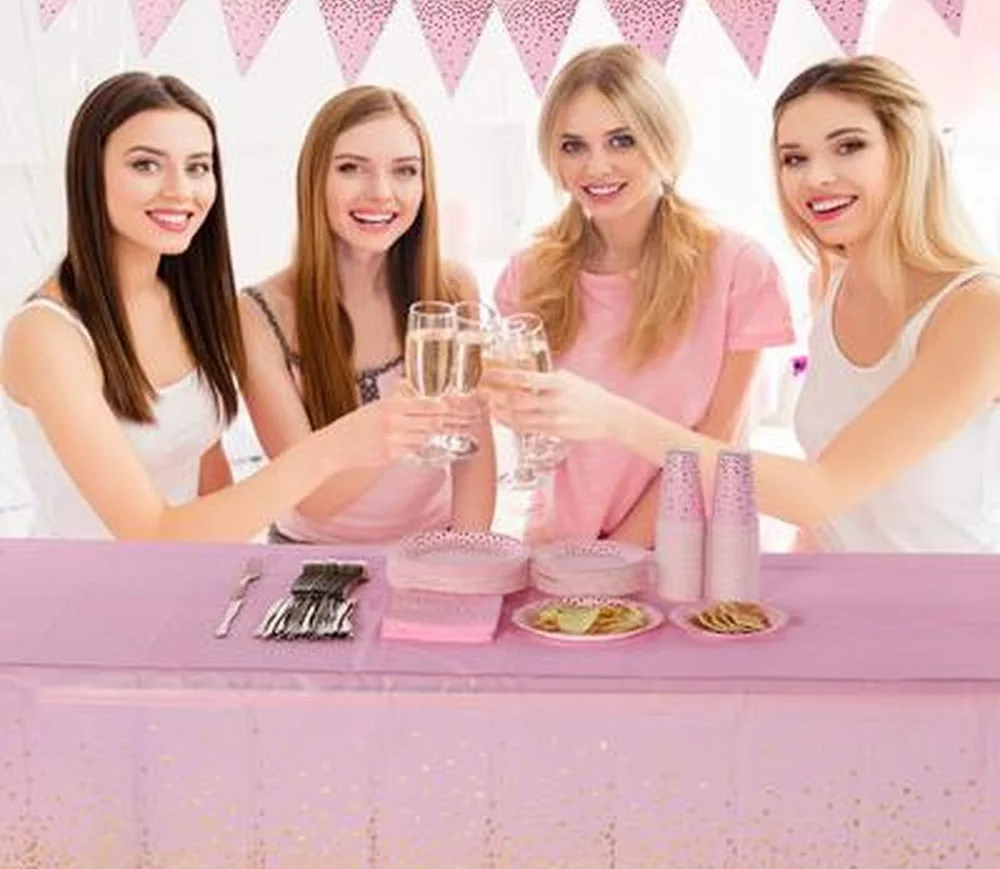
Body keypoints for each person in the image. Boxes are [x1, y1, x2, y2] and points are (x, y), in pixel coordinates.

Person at [488, 55, 1000, 553]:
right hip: (836, 583)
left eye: (849, 146)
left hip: (945, 594)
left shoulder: (980, 311)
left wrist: (611, 418)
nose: (816, 177)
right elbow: (836, 524)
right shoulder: (831, 285)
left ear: (909, 149)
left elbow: (819, 493)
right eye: (794, 158)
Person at [0, 72, 444, 541]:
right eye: (146, 165)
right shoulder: (46, 337)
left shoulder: (185, 304)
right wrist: (332, 449)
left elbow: (210, 480)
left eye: (197, 167)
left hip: (191, 576)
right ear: (90, 173)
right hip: (80, 581)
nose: (180, 190)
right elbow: (151, 534)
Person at [493, 44, 794, 545]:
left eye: (622, 140)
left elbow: (717, 442)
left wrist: (617, 552)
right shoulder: (528, 275)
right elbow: (534, 437)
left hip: (688, 556)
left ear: (663, 139)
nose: (596, 167)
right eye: (573, 146)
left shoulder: (738, 268)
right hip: (559, 553)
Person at [239, 85, 496, 543]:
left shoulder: (453, 289)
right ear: (315, 179)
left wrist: (467, 558)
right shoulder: (257, 316)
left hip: (432, 547)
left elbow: (472, 454)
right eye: (351, 168)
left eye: (405, 171)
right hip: (311, 559)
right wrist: (403, 417)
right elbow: (314, 500)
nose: (381, 193)